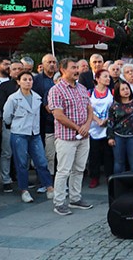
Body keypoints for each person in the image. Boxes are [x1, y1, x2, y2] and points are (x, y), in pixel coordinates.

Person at [48, 58, 94, 215]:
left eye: (77, 68)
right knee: (64, 170)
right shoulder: (56, 90)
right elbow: (59, 115)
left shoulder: (81, 88)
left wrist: (87, 125)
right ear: (63, 70)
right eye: (73, 68)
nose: (77, 71)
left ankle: (75, 198)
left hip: (84, 137)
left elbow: (89, 109)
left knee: (79, 169)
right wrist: (77, 128)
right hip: (66, 138)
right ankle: (59, 202)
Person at [2, 71, 55, 203]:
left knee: (42, 161)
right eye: (24, 79)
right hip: (19, 133)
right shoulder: (13, 98)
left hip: (34, 134)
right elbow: (7, 117)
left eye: (30, 79)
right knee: (21, 163)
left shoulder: (37, 97)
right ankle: (24, 190)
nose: (28, 82)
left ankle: (49, 187)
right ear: (19, 82)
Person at [0, 60, 23, 193]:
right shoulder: (4, 86)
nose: (18, 71)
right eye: (15, 69)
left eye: (20, 69)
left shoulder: (30, 85)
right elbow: (2, 106)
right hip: (10, 125)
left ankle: (20, 177)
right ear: (10, 72)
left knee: (23, 154)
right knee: (7, 153)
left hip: (25, 127)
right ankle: (6, 180)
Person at [32, 54, 58, 179]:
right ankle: (42, 176)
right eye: (49, 62)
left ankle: (55, 176)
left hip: (58, 121)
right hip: (40, 120)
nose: (52, 64)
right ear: (43, 64)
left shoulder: (60, 79)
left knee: (55, 152)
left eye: (54, 62)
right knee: (41, 151)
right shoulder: (36, 80)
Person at [87, 69, 114, 188]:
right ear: (97, 79)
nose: (108, 79)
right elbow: (87, 109)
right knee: (94, 154)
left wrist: (106, 121)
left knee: (109, 154)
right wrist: (97, 120)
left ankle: (110, 176)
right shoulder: (90, 92)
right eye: (105, 76)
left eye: (109, 77)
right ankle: (94, 177)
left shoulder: (112, 92)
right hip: (93, 128)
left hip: (107, 127)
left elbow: (115, 109)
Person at [108, 81, 133, 174]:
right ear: (118, 92)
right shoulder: (114, 106)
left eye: (127, 88)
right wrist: (110, 137)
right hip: (118, 137)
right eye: (123, 89)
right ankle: (118, 185)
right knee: (119, 162)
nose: (126, 91)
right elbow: (110, 123)